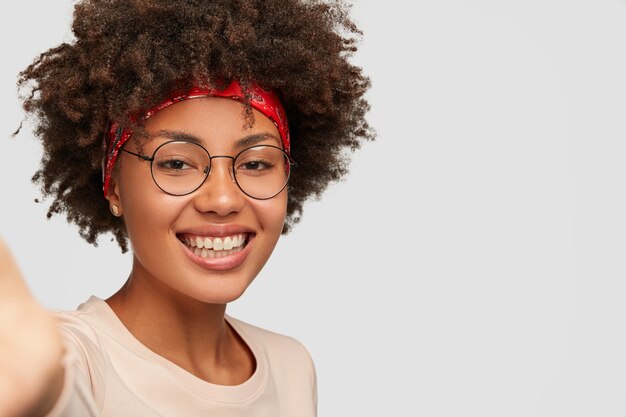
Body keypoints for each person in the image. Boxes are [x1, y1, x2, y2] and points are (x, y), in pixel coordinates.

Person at [0, 0, 373, 415]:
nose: (223, 199)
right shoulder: (79, 360)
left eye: (254, 163)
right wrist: (39, 382)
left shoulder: (291, 367)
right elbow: (46, 384)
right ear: (113, 187)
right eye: (176, 163)